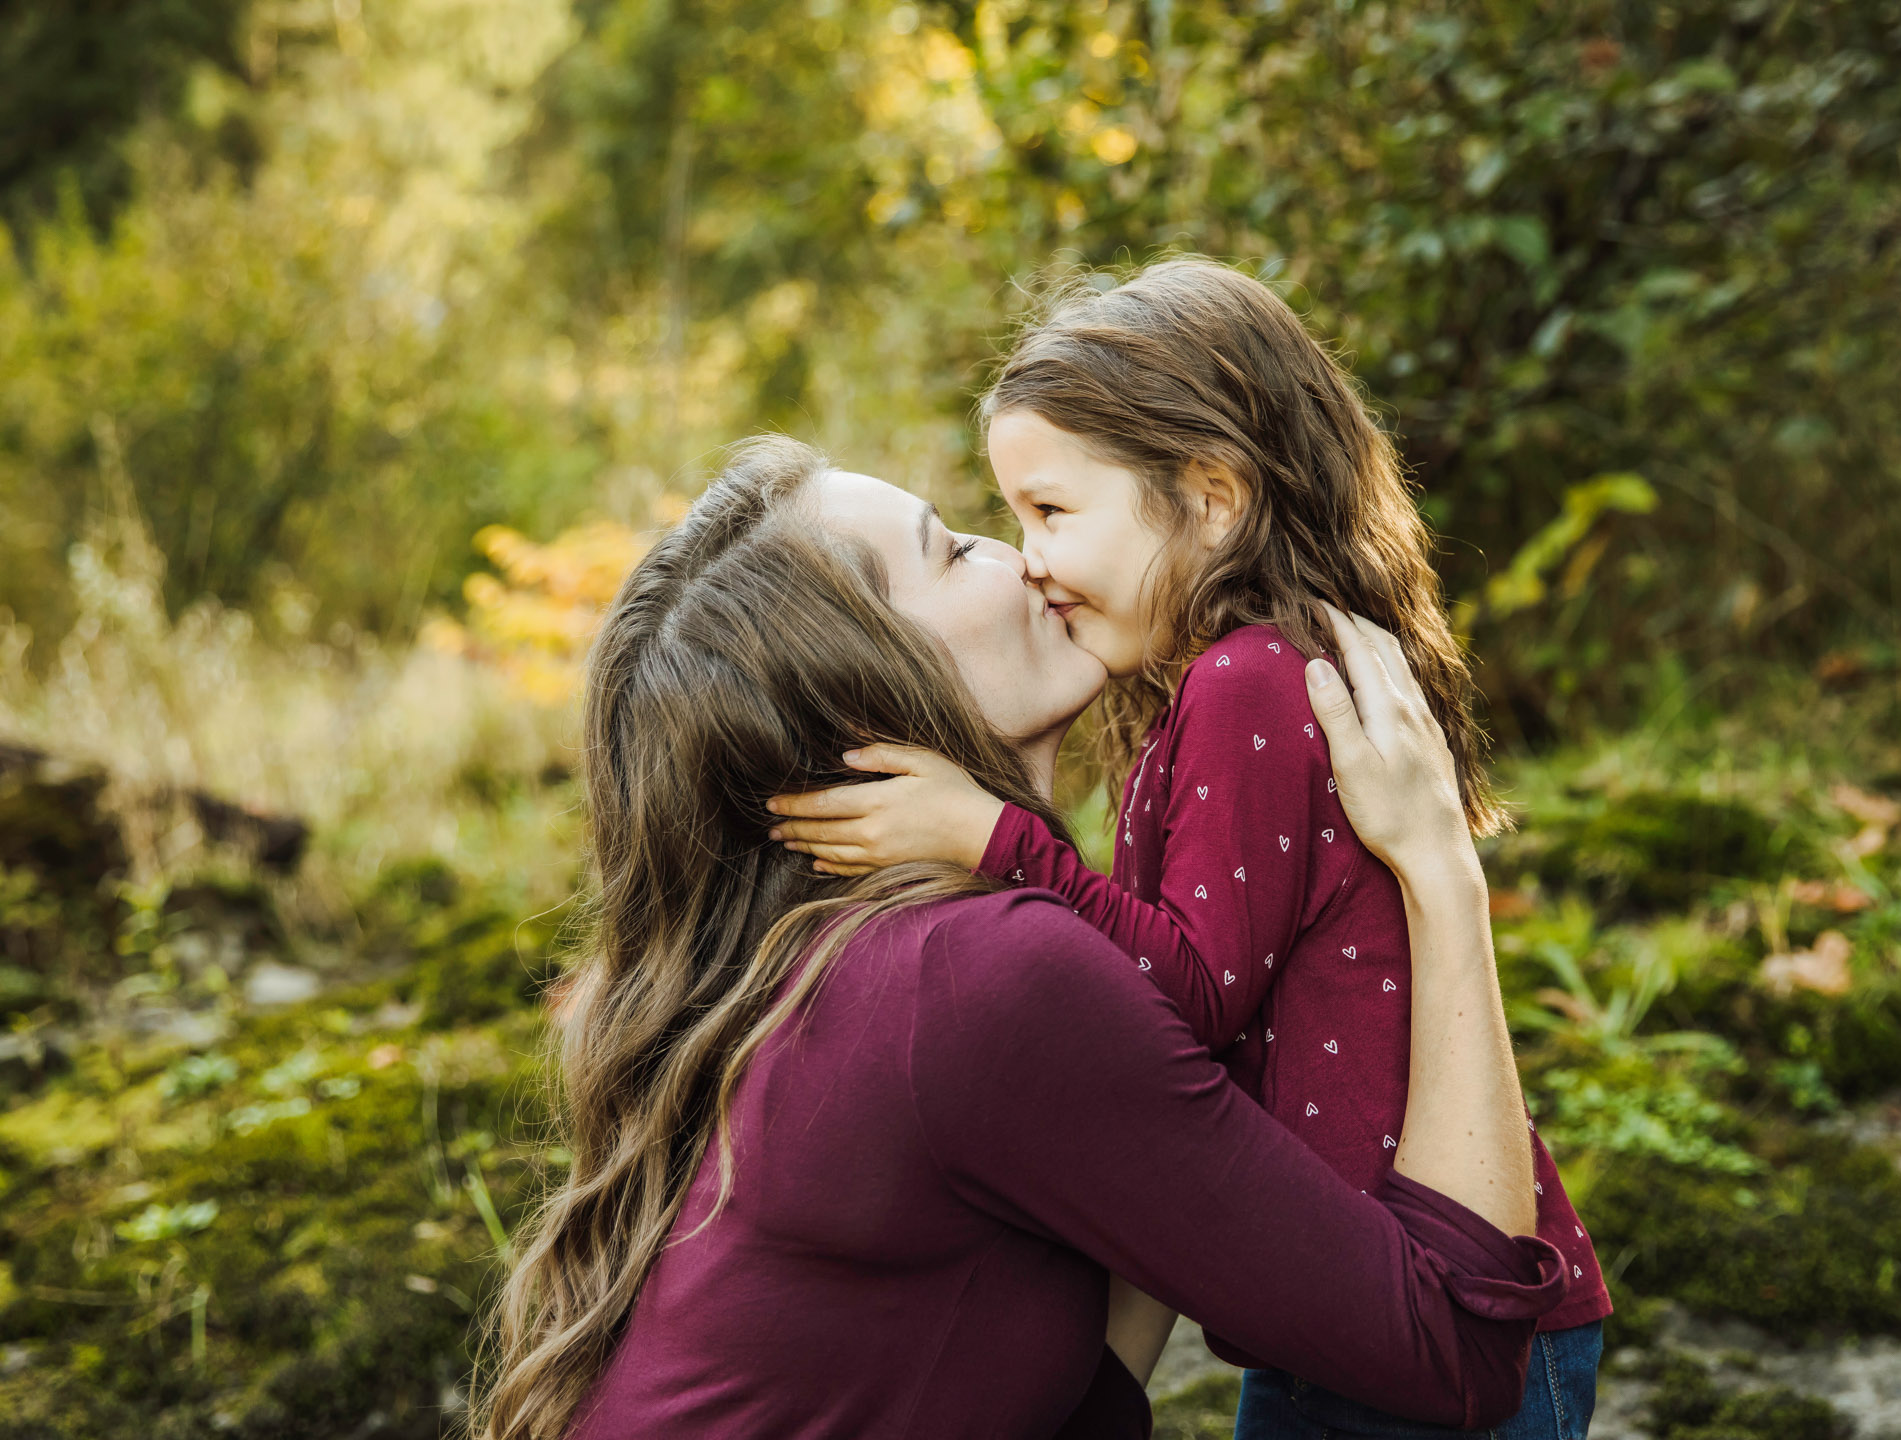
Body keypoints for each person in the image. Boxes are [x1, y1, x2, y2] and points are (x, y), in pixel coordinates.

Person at [475, 437, 1567, 1440]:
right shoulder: (974, 978)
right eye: (951, 552)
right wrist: (1440, 871)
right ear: (875, 700)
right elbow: (1457, 1353)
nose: (1015, 554)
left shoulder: (844, 971)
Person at [766, 259, 1609, 1440]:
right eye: (1011, 520)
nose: (1032, 561)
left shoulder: (1248, 683)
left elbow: (1185, 1002)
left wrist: (993, 837)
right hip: (1339, 1306)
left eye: (1053, 513)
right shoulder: (1206, 692)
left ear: (1212, 499)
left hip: (1439, 1298)